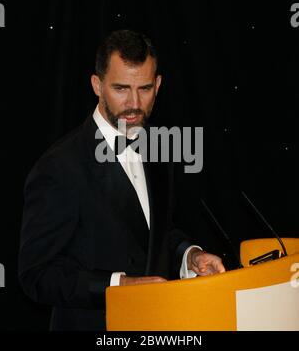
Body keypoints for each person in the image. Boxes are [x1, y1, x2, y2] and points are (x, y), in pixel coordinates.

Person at [18, 29, 225, 331]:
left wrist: (189, 256)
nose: (134, 104)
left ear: (158, 85)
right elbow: (36, 275)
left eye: (144, 89)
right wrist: (119, 285)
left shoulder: (158, 147)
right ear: (97, 85)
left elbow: (155, 233)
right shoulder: (59, 167)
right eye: (121, 88)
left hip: (159, 326)